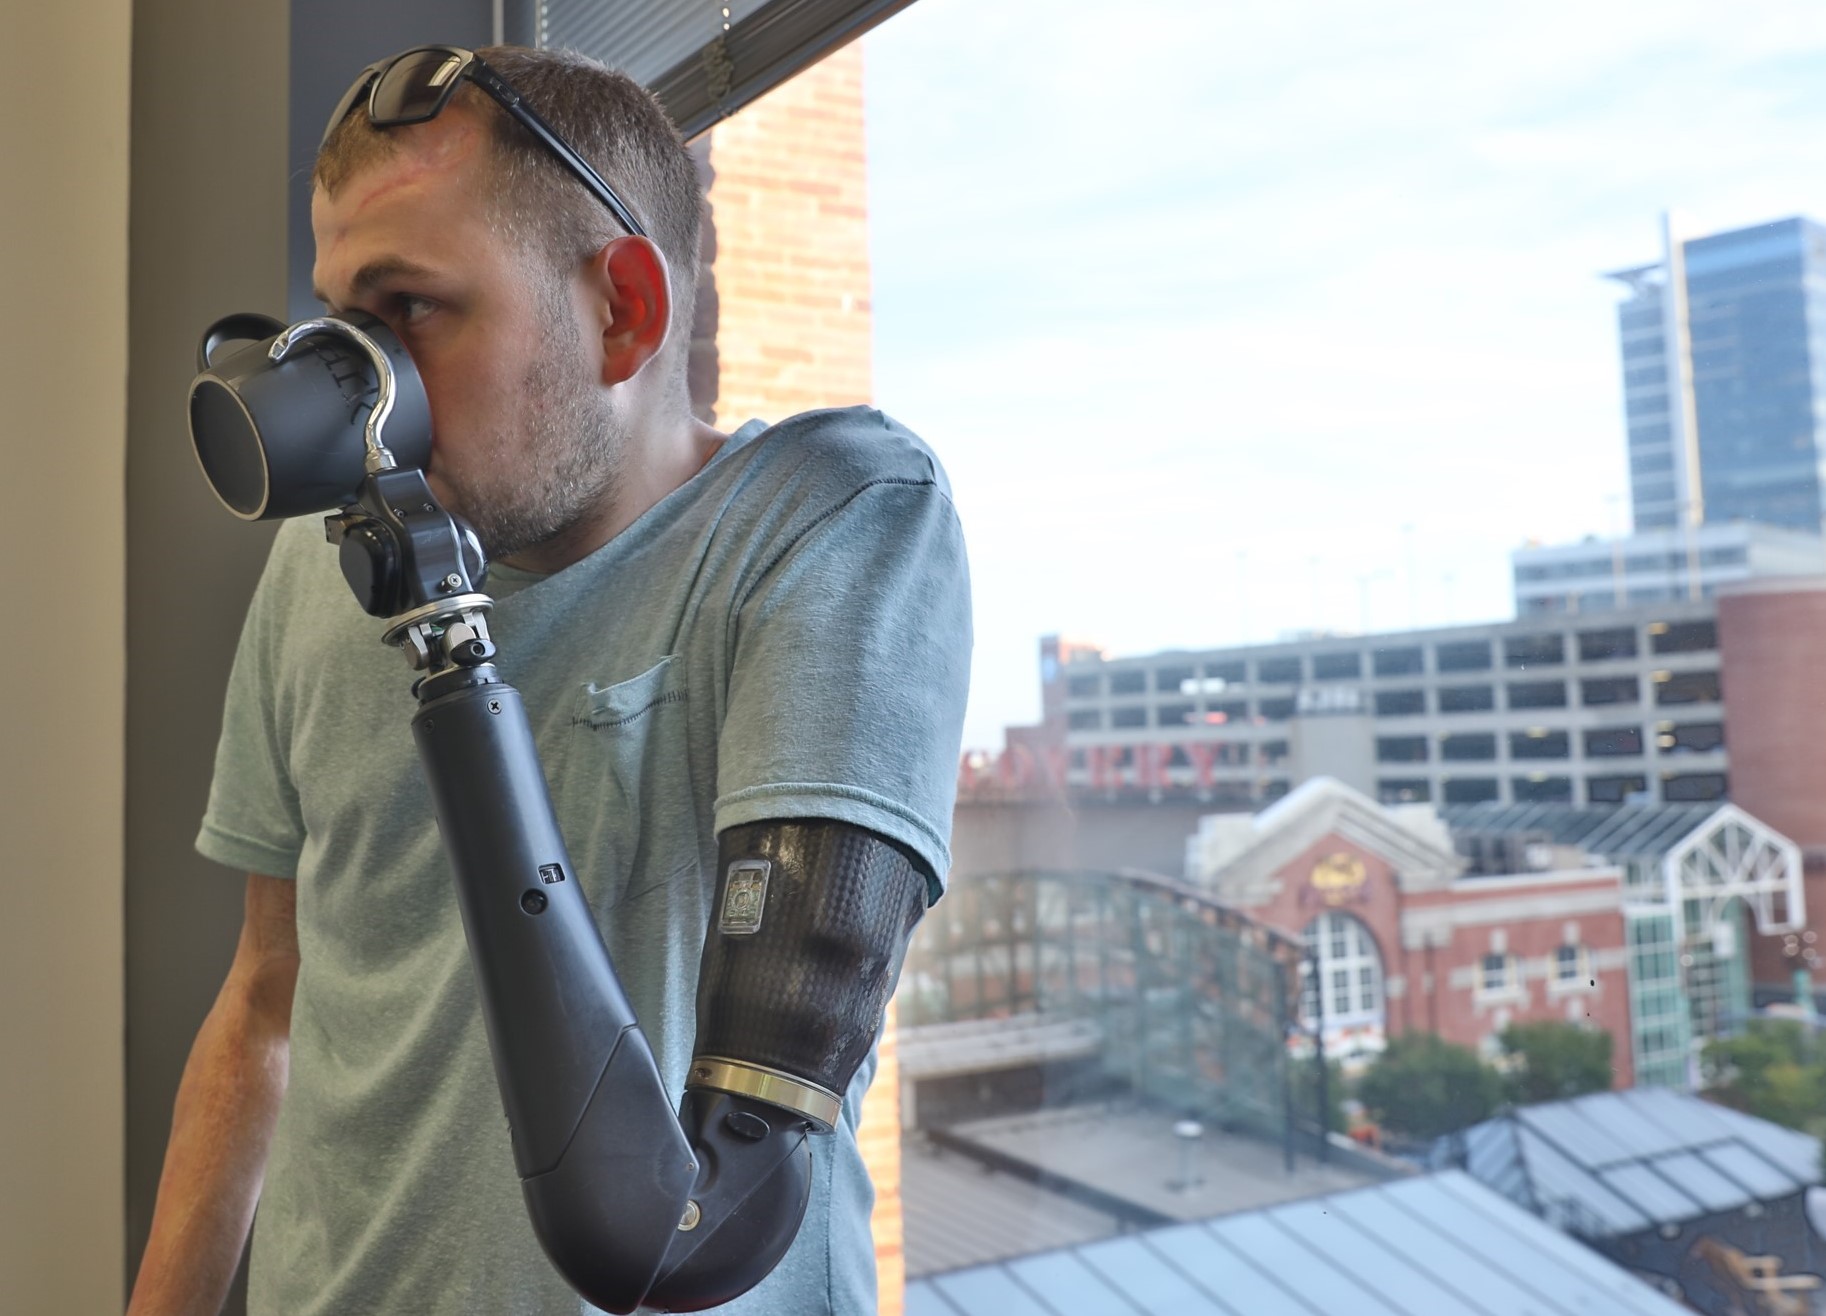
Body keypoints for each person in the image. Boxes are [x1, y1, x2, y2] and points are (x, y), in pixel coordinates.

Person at [129, 43, 970, 1315]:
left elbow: (705, 1204)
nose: (360, 381)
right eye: (340, 318)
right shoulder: (316, 570)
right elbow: (263, 1002)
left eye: (409, 310)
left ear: (622, 310)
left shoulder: (827, 518)